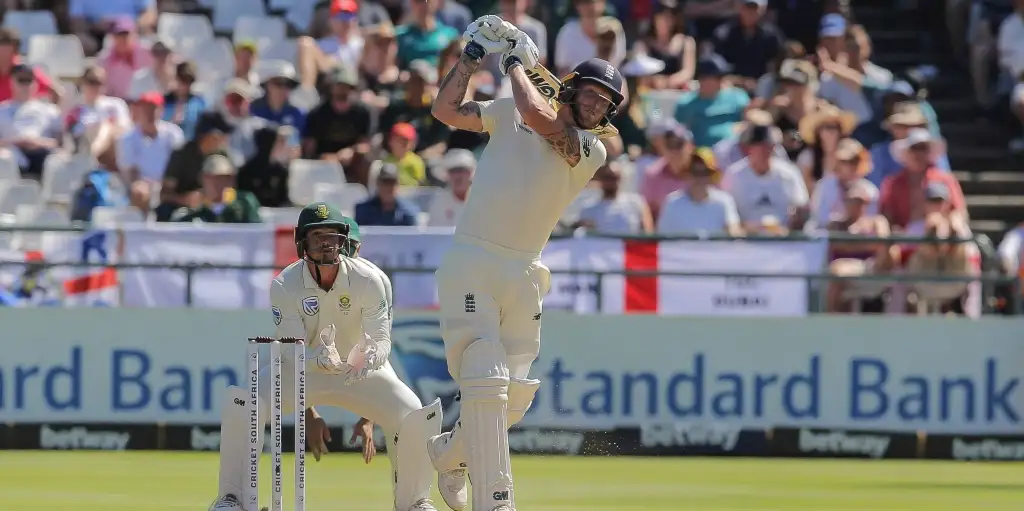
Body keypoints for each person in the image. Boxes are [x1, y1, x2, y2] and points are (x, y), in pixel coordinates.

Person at [428, 15, 619, 511]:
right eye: (591, 94)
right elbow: (445, 110)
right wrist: (471, 58)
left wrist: (514, 62)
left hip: (524, 271)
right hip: (473, 259)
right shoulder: (509, 109)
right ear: (571, 88)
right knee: (485, 377)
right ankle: (495, 498)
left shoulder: (591, 149)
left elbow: (539, 117)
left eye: (605, 103)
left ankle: (451, 454)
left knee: (515, 395)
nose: (596, 106)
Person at [208, 202, 440, 511]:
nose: (326, 243)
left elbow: (382, 341)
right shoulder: (285, 284)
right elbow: (289, 349)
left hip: (359, 373)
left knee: (411, 410)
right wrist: (317, 358)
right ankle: (232, 499)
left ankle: (416, 501)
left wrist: (368, 358)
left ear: (343, 240)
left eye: (331, 235)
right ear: (302, 242)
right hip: (303, 373)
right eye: (317, 236)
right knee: (246, 403)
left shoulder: (370, 279)